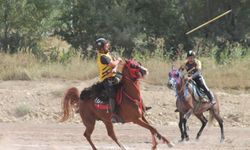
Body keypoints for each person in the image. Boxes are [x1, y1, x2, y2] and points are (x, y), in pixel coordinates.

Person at [95, 38, 123, 122]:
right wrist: (118, 60)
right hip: (107, 79)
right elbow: (113, 64)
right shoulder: (103, 57)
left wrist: (115, 68)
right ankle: (113, 115)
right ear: (102, 48)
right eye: (106, 45)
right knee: (112, 94)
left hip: (114, 75)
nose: (108, 45)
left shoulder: (107, 54)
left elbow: (114, 66)